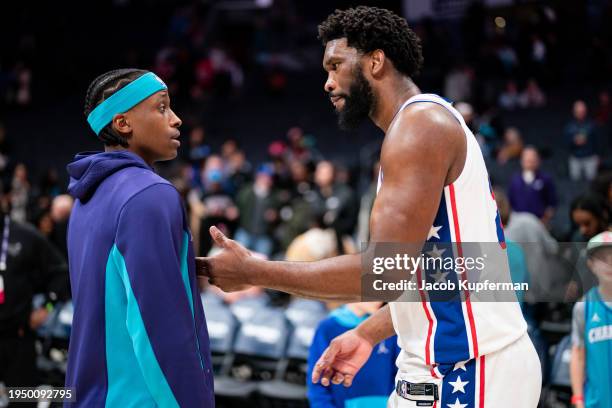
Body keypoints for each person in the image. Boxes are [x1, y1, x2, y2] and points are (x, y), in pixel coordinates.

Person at [200, 7, 541, 407]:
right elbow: (435, 277)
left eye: (335, 66)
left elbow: (385, 273)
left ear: (376, 61)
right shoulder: (419, 125)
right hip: (452, 364)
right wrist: (369, 332)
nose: (327, 83)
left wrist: (256, 271)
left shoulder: (419, 128)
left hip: (468, 368)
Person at [65, 69, 214, 407]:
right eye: (162, 108)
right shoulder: (150, 195)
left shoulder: (87, 196)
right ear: (123, 123)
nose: (176, 120)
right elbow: (159, 328)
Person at [0, 185, 69, 405]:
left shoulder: (25, 235)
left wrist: (47, 307)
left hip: (18, 338)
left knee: (22, 399)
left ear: (6, 198)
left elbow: (61, 272)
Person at [307, 302, 400, 408]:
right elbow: (317, 380)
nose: (380, 299)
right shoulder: (327, 327)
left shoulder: (387, 328)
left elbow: (399, 371)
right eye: (372, 292)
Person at [570, 231, 612, 408]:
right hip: (596, 402)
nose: (609, 263)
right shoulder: (583, 307)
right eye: (602, 258)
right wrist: (578, 399)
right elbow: (578, 355)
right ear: (591, 264)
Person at [507, 146, 557, 224]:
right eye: (527, 160)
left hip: (539, 221)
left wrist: (545, 220)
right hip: (518, 222)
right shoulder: (514, 180)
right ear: (522, 161)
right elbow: (510, 202)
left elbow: (552, 204)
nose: (530, 163)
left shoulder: (546, 179)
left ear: (538, 161)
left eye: (532, 160)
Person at [565, 100, 598, 181]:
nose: (580, 114)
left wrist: (597, 156)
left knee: (591, 180)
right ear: (574, 112)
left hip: (590, 158)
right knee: (575, 180)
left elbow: (598, 141)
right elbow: (566, 143)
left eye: (582, 111)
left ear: (585, 112)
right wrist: (574, 141)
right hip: (575, 158)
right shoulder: (569, 127)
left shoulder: (592, 125)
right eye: (578, 112)